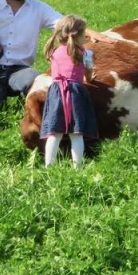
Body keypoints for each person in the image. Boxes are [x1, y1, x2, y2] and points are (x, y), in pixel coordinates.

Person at [39, 15, 97, 168]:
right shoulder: (84, 53)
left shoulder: (54, 51)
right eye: (84, 33)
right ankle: (78, 167)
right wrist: (88, 80)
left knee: (54, 133)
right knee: (76, 133)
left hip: (56, 92)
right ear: (77, 35)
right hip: (76, 93)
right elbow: (89, 73)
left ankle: (48, 166)